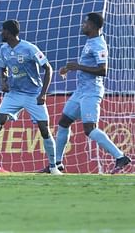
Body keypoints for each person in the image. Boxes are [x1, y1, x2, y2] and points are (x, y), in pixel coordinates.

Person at [40, 12, 131, 174]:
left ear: (94, 26)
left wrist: (78, 67)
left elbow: (103, 70)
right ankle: (57, 164)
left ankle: (120, 157)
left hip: (92, 92)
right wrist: (69, 68)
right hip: (80, 91)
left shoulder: (99, 45)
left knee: (89, 129)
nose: (83, 25)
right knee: (63, 123)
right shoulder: (90, 42)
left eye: (86, 23)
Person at [0, 20, 62, 175]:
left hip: (33, 94)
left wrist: (43, 94)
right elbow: (3, 70)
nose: (0, 33)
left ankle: (53, 167)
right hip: (14, 94)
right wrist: (3, 81)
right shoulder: (3, 50)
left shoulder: (30, 48)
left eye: (2, 30)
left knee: (44, 129)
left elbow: (48, 68)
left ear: (9, 32)